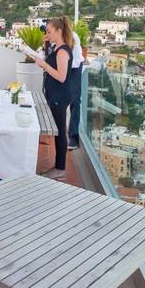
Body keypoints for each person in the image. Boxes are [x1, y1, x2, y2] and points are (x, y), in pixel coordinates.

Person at [31, 16, 73, 180]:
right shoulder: (57, 47)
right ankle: (57, 166)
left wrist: (44, 66)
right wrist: (46, 41)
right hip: (55, 95)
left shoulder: (62, 51)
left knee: (60, 132)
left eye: (49, 31)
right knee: (57, 131)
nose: (47, 33)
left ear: (59, 31)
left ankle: (60, 169)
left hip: (59, 96)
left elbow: (61, 77)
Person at [67, 27, 84, 150]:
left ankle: (73, 136)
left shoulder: (73, 37)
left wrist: (60, 63)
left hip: (74, 68)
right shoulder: (52, 39)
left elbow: (76, 62)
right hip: (61, 67)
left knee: (74, 101)